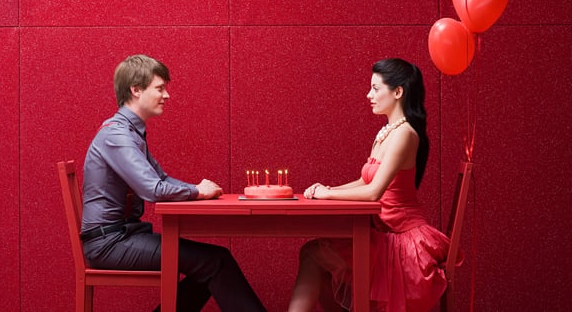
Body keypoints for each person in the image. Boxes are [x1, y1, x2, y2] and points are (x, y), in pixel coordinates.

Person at [81, 54, 266, 312]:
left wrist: (198, 190)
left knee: (211, 264)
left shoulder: (130, 133)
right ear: (136, 90)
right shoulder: (117, 135)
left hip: (124, 236)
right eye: (160, 88)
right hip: (109, 243)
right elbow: (153, 189)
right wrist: (197, 192)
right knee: (215, 262)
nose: (166, 95)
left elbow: (161, 179)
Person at [288, 58, 454, 312]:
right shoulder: (388, 131)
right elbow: (366, 180)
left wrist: (326, 196)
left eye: (376, 88)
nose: (369, 95)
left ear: (398, 92)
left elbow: (374, 192)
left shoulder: (405, 134)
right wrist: (329, 190)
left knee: (313, 254)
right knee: (313, 254)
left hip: (401, 237)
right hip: (383, 228)